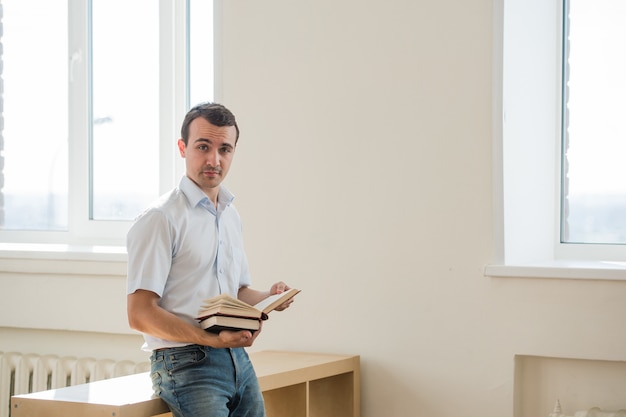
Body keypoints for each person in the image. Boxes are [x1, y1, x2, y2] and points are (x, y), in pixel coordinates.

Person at [126, 102, 293, 417]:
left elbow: (238, 293)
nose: (214, 159)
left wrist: (270, 298)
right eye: (203, 146)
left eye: (224, 149)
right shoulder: (160, 219)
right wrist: (209, 341)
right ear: (182, 148)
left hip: (235, 358)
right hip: (184, 362)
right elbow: (139, 314)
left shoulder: (230, 215)